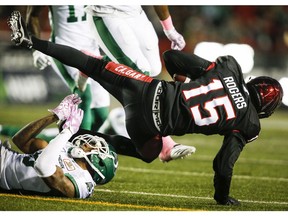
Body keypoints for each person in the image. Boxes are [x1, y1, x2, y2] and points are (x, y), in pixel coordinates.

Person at [7, 11, 284, 205]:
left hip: (145, 87)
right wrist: (222, 199)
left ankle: (31, 41)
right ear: (265, 108)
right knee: (148, 153)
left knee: (89, 63)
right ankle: (73, 135)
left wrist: (180, 80)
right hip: (148, 124)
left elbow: (172, 56)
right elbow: (223, 166)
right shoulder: (247, 122)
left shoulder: (228, 69)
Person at [85, 5, 190, 162]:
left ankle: (94, 64)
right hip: (106, 12)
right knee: (140, 72)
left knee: (154, 69)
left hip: (135, 13)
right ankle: (165, 143)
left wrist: (169, 29)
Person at [0, 94, 118, 198]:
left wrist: (68, 132)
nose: (86, 143)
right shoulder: (68, 150)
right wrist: (55, 116)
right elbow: (20, 140)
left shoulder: (82, 184)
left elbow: (43, 167)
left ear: (99, 163)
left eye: (93, 146)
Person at [26, 6, 110, 131]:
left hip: (92, 49)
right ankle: (79, 146)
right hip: (64, 48)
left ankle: (70, 141)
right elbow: (32, 15)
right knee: (84, 95)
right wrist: (36, 49)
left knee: (101, 113)